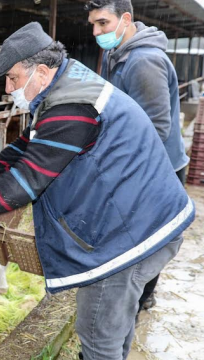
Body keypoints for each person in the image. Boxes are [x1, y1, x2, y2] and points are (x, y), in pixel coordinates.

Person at [0, 22, 194, 360]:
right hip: (142, 215)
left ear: (42, 72)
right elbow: (29, 144)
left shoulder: (72, 107)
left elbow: (28, 180)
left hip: (131, 234)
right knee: (114, 324)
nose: (8, 89)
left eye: (13, 79)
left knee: (96, 332)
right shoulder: (67, 85)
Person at [86, 0, 190, 314]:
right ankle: (136, 300)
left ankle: (140, 302)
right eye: (93, 25)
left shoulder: (143, 61)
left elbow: (156, 128)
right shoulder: (117, 54)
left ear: (126, 19)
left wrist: (119, 171)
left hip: (158, 169)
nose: (96, 32)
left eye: (103, 23)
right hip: (142, 163)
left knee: (147, 242)